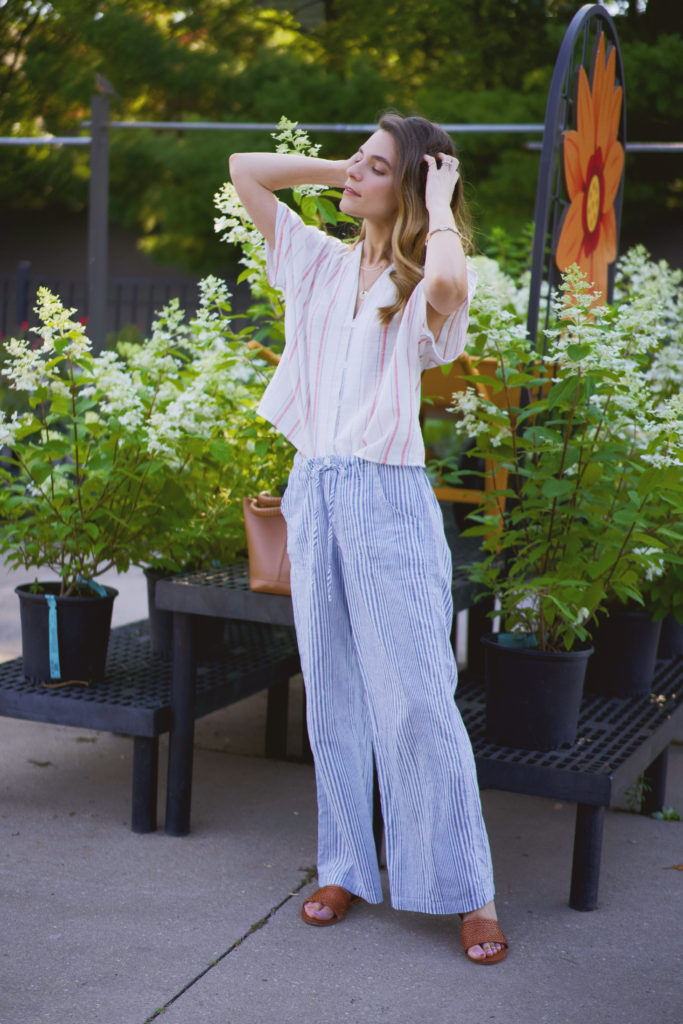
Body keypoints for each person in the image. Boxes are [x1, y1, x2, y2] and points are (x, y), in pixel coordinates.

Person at [229, 113, 509, 965]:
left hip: (388, 500)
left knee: (419, 694)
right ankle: (344, 864)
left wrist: (436, 195)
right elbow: (245, 168)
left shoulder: (425, 274)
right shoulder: (315, 260)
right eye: (357, 158)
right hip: (315, 490)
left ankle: (470, 892)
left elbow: (454, 290)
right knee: (335, 694)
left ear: (415, 186)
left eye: (374, 166)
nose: (354, 173)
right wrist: (345, 168)